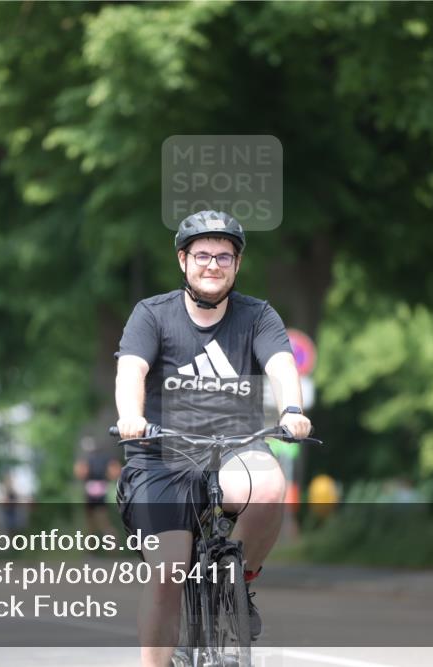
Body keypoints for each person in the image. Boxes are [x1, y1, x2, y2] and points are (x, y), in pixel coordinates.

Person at [114, 210, 312, 667]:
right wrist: (131, 416)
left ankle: (239, 584)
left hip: (236, 445)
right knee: (167, 571)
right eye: (202, 255)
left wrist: (293, 410)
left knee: (268, 487)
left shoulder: (257, 316)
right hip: (161, 453)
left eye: (224, 256)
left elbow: (282, 364)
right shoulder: (152, 314)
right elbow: (132, 369)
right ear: (183, 260)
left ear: (237, 265)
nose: (213, 264)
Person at [73, 435, 122, 537]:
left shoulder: (86, 459)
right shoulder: (107, 458)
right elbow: (115, 472)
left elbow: (80, 473)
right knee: (101, 521)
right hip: (102, 489)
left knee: (93, 522)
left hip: (90, 491)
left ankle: (93, 550)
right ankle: (106, 548)